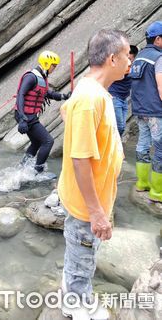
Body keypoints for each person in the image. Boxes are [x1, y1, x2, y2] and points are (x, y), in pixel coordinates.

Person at [58, 29, 130, 320]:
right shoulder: (90, 98)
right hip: (86, 205)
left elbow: (66, 111)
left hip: (89, 197)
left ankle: (71, 290)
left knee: (79, 252)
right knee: (83, 256)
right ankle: (75, 305)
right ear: (112, 58)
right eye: (126, 56)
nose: (130, 62)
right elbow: (80, 159)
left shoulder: (91, 91)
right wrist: (96, 212)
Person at [15, 50, 70, 174]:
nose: (54, 68)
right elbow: (20, 95)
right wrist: (23, 119)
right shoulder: (31, 77)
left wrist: (64, 96)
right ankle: (38, 172)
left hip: (30, 116)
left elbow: (47, 93)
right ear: (46, 63)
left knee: (36, 142)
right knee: (48, 141)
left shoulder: (41, 77)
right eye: (53, 65)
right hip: (25, 116)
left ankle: (22, 168)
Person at [130, 20, 162, 202]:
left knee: (143, 145)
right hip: (156, 112)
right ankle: (158, 192)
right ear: (158, 39)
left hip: (140, 111)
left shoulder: (139, 57)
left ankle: (142, 183)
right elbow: (161, 87)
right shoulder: (159, 58)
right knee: (160, 150)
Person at [108, 45, 138, 137]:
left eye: (131, 59)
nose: (129, 61)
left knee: (121, 126)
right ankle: (113, 147)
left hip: (124, 98)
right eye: (127, 58)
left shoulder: (133, 66)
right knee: (119, 127)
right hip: (114, 97)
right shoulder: (118, 65)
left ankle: (115, 148)